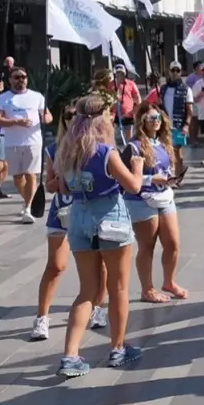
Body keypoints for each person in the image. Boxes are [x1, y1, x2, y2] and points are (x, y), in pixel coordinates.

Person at [52, 95, 145, 377]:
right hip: (111, 219)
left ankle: (70, 356)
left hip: (79, 220)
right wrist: (138, 166)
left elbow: (65, 189)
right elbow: (133, 187)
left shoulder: (66, 153)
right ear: (102, 119)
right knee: (118, 288)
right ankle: (117, 349)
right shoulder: (106, 152)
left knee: (87, 291)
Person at [32, 106, 109, 341]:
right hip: (62, 211)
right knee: (56, 266)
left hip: (89, 210)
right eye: (67, 115)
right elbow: (51, 186)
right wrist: (64, 175)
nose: (73, 118)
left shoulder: (95, 148)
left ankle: (97, 308)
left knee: (99, 264)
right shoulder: (54, 149)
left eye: (77, 114)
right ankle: (41, 318)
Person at [124, 102, 186, 303]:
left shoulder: (163, 143)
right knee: (147, 246)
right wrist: (151, 179)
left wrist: (170, 179)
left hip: (164, 195)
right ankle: (147, 289)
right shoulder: (133, 146)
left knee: (173, 243)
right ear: (142, 121)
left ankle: (169, 281)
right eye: (151, 118)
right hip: (142, 199)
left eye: (158, 118)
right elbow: (125, 179)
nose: (156, 122)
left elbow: (164, 170)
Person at [0, 66, 52, 224]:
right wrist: (16, 121)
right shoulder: (3, 98)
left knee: (31, 174)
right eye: (17, 77)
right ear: (10, 80)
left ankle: (27, 208)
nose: (21, 80)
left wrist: (46, 119)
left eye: (23, 77)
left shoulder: (37, 96)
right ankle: (29, 199)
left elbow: (47, 115)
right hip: (12, 142)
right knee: (18, 177)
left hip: (33, 141)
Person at [159, 62, 192, 180]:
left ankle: (178, 176)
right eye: (173, 70)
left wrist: (186, 125)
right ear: (169, 71)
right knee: (166, 151)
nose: (175, 73)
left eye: (177, 70)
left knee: (177, 151)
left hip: (179, 124)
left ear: (181, 72)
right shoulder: (163, 89)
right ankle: (170, 175)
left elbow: (189, 110)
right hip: (165, 125)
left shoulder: (186, 89)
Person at [114, 65, 141, 141]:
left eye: (121, 73)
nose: (119, 75)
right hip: (115, 115)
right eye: (118, 73)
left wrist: (136, 109)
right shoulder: (112, 84)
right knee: (115, 138)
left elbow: (137, 97)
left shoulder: (131, 84)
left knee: (129, 137)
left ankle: (129, 151)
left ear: (124, 73)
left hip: (128, 115)